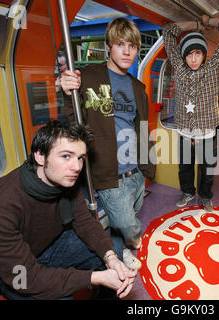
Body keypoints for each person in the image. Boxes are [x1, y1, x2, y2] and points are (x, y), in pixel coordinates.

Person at [0, 120, 137, 300]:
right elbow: (24, 278)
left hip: (50, 245)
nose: (76, 167)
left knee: (114, 250)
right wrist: (95, 278)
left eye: (80, 158)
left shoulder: (65, 179)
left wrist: (110, 258)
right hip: (14, 273)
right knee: (59, 295)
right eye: (66, 156)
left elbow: (84, 222)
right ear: (40, 156)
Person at [59, 17, 156, 269]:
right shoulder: (88, 77)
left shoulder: (137, 87)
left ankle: (120, 248)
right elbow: (73, 121)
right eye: (120, 44)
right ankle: (130, 244)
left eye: (132, 46)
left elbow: (140, 128)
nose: (127, 51)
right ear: (108, 46)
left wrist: (148, 164)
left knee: (127, 216)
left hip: (135, 172)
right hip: (109, 174)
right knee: (128, 224)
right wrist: (67, 90)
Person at [163, 14, 219, 212]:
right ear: (183, 56)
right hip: (185, 132)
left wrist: (209, 22)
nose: (193, 59)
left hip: (207, 132)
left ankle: (205, 196)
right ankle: (187, 192)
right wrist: (195, 24)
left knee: (207, 169)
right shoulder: (179, 68)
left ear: (204, 54)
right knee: (185, 167)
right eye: (189, 54)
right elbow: (168, 31)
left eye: (197, 53)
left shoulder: (214, 68)